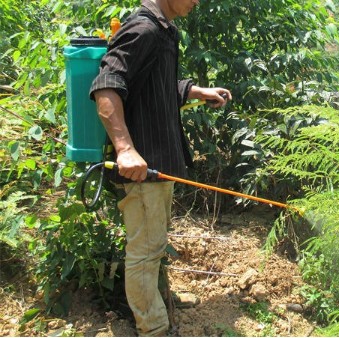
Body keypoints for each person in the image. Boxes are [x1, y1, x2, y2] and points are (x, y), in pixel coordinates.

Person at [89, 0, 231, 335]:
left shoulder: (163, 31)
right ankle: (153, 328)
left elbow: (156, 86)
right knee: (144, 252)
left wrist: (197, 91)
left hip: (158, 166)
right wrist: (125, 149)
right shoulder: (144, 28)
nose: (197, 1)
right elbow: (107, 85)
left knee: (153, 245)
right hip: (142, 168)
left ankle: (158, 301)